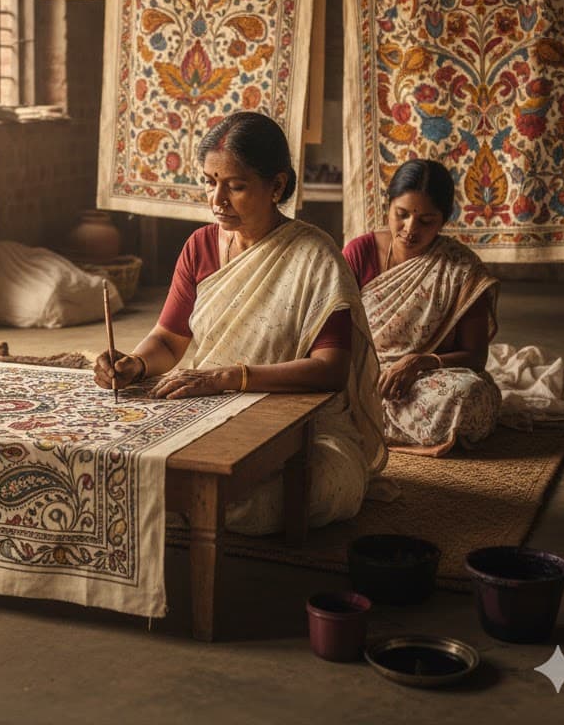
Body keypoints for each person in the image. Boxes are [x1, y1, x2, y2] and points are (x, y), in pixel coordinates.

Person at [94, 112, 388, 534]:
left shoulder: (316, 256)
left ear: (277, 186)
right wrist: (135, 364)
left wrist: (229, 377)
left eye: (235, 186)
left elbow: (331, 370)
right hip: (209, 407)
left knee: (302, 490)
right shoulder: (200, 246)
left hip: (300, 423)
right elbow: (169, 341)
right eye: (209, 182)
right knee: (118, 458)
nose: (217, 200)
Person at [342, 158, 501, 456]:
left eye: (426, 221)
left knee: (469, 395)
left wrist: (418, 362)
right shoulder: (360, 252)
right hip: (365, 374)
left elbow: (476, 357)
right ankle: (387, 427)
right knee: (328, 390)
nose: (410, 229)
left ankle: (370, 426)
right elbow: (333, 327)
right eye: (401, 215)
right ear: (388, 206)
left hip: (427, 378)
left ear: (444, 220)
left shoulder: (461, 268)